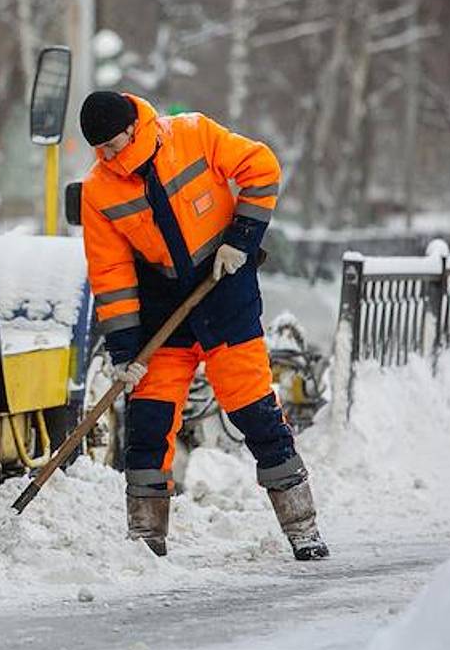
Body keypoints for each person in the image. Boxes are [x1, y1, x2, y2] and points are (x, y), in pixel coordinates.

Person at [77, 90, 328, 561]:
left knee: (255, 412)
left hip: (223, 291)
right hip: (163, 313)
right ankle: (146, 541)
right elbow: (111, 275)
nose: (109, 156)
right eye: (101, 150)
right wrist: (125, 352)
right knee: (148, 425)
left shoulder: (192, 134)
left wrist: (242, 238)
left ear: (133, 126)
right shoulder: (99, 190)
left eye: (113, 144)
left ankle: (303, 527)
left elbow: (262, 167)